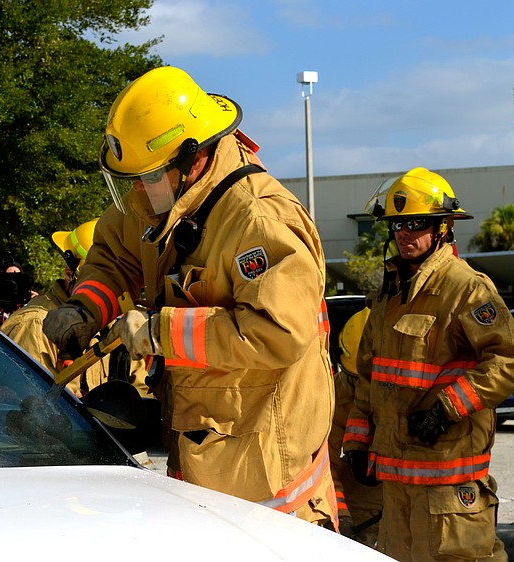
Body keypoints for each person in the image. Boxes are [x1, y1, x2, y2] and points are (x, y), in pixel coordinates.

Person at [42, 66, 337, 527]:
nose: (136, 190)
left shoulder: (257, 219)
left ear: (192, 158)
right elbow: (112, 254)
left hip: (268, 494)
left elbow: (280, 331)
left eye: (147, 176)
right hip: (203, 468)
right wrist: (86, 306)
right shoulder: (161, 201)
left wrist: (160, 333)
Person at [342, 167, 514, 561]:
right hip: (394, 488)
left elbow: (509, 359)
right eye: (397, 225)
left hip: (449, 485)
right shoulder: (389, 295)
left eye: (416, 223)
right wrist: (358, 442)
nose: (404, 233)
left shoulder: (466, 287)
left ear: (442, 227)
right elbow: (368, 378)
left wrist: (448, 409)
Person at [1, 219, 149, 399]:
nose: (112, 293)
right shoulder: (36, 325)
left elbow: (142, 393)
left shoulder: (114, 330)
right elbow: (34, 411)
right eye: (103, 282)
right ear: (69, 274)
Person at [328, 305, 383, 548]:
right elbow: (323, 466)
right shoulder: (337, 395)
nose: (360, 390)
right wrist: (342, 515)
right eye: (354, 380)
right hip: (363, 500)